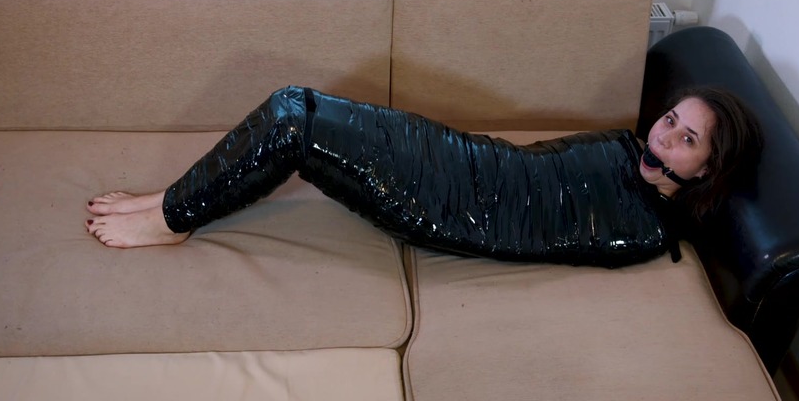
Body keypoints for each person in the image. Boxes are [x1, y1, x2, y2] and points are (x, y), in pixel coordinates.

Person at [86, 85, 762, 268]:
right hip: (458, 156)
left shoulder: (642, 230)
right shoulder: (622, 145)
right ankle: (181, 197)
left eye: (686, 140)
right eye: (671, 119)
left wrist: (656, 195)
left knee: (293, 128)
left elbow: (526, 235)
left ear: (708, 170)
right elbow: (532, 163)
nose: (663, 135)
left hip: (441, 205)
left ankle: (173, 217)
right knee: (294, 102)